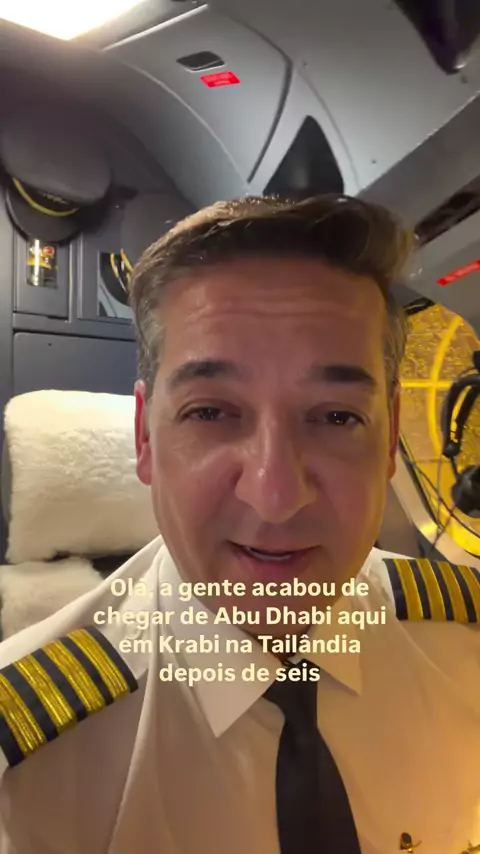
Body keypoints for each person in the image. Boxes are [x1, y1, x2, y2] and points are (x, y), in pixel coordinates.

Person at [0, 194, 478, 854]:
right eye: (210, 412)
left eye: (337, 416)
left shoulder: (464, 640)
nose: (276, 496)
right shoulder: (24, 774)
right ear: (145, 438)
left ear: (391, 433)